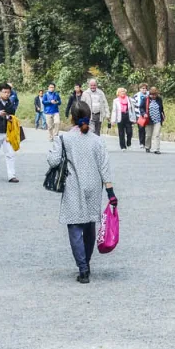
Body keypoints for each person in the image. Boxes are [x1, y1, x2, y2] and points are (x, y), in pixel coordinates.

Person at [47, 103, 115, 283]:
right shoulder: (98, 140)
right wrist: (110, 193)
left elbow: (53, 161)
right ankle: (88, 262)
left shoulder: (64, 139)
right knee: (89, 224)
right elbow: (104, 167)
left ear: (71, 117)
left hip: (73, 186)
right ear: (90, 115)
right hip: (93, 185)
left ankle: (83, 268)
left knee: (75, 226)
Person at [143, 88, 165, 154]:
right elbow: (141, 108)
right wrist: (144, 113)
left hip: (158, 119)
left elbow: (161, 108)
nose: (153, 96)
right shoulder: (145, 99)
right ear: (149, 94)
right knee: (148, 135)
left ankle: (156, 149)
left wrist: (163, 116)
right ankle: (147, 147)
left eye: (155, 95)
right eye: (152, 95)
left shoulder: (159, 99)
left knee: (157, 135)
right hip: (148, 120)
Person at [114, 85, 133, 149]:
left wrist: (134, 118)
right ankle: (123, 146)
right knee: (121, 132)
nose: (123, 93)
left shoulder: (129, 99)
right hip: (120, 116)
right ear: (118, 93)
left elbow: (132, 109)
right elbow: (114, 111)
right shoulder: (116, 100)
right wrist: (113, 120)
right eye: (121, 91)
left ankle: (128, 142)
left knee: (129, 131)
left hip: (127, 116)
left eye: (124, 91)